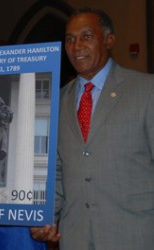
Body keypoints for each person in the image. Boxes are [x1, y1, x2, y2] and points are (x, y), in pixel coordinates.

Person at [30, 7, 154, 250]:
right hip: (75, 236)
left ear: (109, 40)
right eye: (69, 39)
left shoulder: (146, 91)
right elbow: (55, 170)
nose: (76, 46)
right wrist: (44, 218)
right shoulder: (56, 101)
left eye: (86, 36)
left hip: (136, 235)